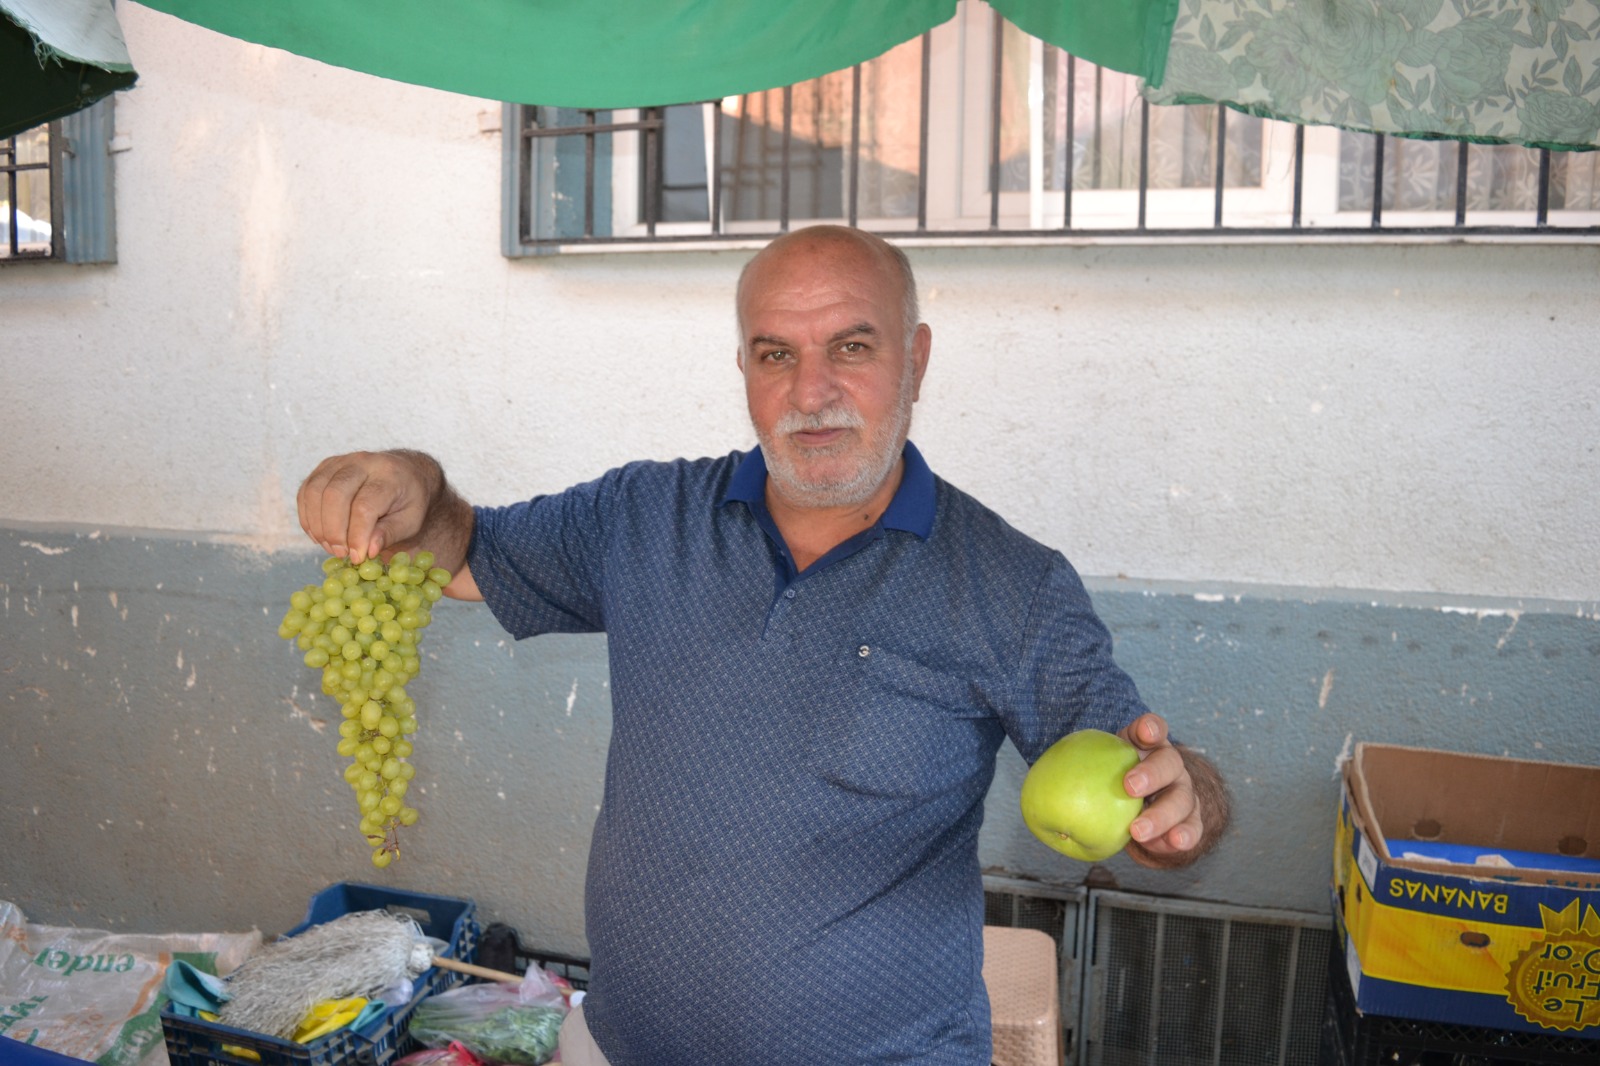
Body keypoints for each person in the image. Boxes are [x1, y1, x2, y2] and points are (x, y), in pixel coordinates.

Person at [297, 225, 1230, 1066]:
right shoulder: (647, 517)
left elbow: (1146, 772)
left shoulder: (1009, 585)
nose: (811, 392)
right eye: (775, 353)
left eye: (851, 348)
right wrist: (414, 484)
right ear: (742, 367)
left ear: (917, 358)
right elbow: (468, 551)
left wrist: (1185, 799)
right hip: (623, 1046)